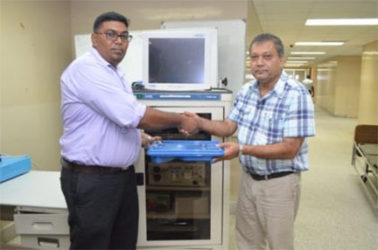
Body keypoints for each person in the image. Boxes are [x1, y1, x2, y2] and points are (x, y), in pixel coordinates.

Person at [59, 11, 198, 249]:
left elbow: (110, 120)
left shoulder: (115, 74)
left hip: (120, 178)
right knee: (92, 244)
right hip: (92, 179)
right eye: (111, 34)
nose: (119, 41)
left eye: (124, 36)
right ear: (94, 39)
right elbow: (135, 115)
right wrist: (180, 120)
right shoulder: (87, 69)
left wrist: (140, 138)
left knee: (122, 243)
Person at [185, 33, 315, 250]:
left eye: (267, 56)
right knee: (247, 241)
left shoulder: (296, 94)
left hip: (279, 184)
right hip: (249, 181)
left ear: (281, 59)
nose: (259, 63)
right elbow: (229, 126)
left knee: (279, 244)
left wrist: (242, 149)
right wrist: (199, 122)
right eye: (254, 57)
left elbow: (290, 148)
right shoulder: (247, 91)